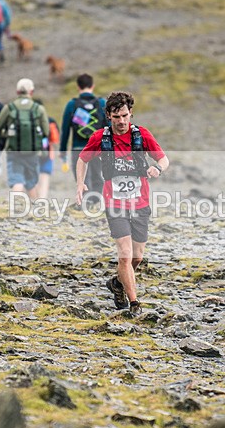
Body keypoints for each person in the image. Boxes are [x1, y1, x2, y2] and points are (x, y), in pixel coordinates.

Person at [76, 91, 169, 317]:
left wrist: (157, 168)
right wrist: (80, 183)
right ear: (109, 116)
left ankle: (117, 283)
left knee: (137, 257)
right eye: (117, 117)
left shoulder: (142, 135)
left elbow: (163, 159)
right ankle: (134, 302)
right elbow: (82, 159)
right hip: (114, 203)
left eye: (125, 116)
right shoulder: (100, 137)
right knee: (125, 254)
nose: (122, 121)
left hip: (140, 202)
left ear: (131, 114)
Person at [0, 78, 49, 199]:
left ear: (17, 92)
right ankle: (37, 210)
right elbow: (46, 132)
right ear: (31, 92)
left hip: (14, 151)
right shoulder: (38, 109)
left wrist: (8, 134)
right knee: (31, 183)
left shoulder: (9, 108)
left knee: (16, 180)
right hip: (33, 152)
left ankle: (16, 209)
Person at [60, 73, 107, 205]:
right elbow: (109, 127)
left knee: (82, 179)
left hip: (78, 149)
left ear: (78, 87)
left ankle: (86, 204)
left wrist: (63, 150)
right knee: (98, 177)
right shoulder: (101, 103)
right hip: (98, 149)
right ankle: (96, 204)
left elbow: (65, 130)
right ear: (93, 86)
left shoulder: (72, 104)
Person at [37, 115, 60, 199]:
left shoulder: (29, 119)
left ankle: (35, 198)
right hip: (48, 153)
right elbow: (55, 139)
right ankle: (42, 198)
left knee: (34, 177)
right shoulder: (50, 120)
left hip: (32, 154)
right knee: (45, 176)